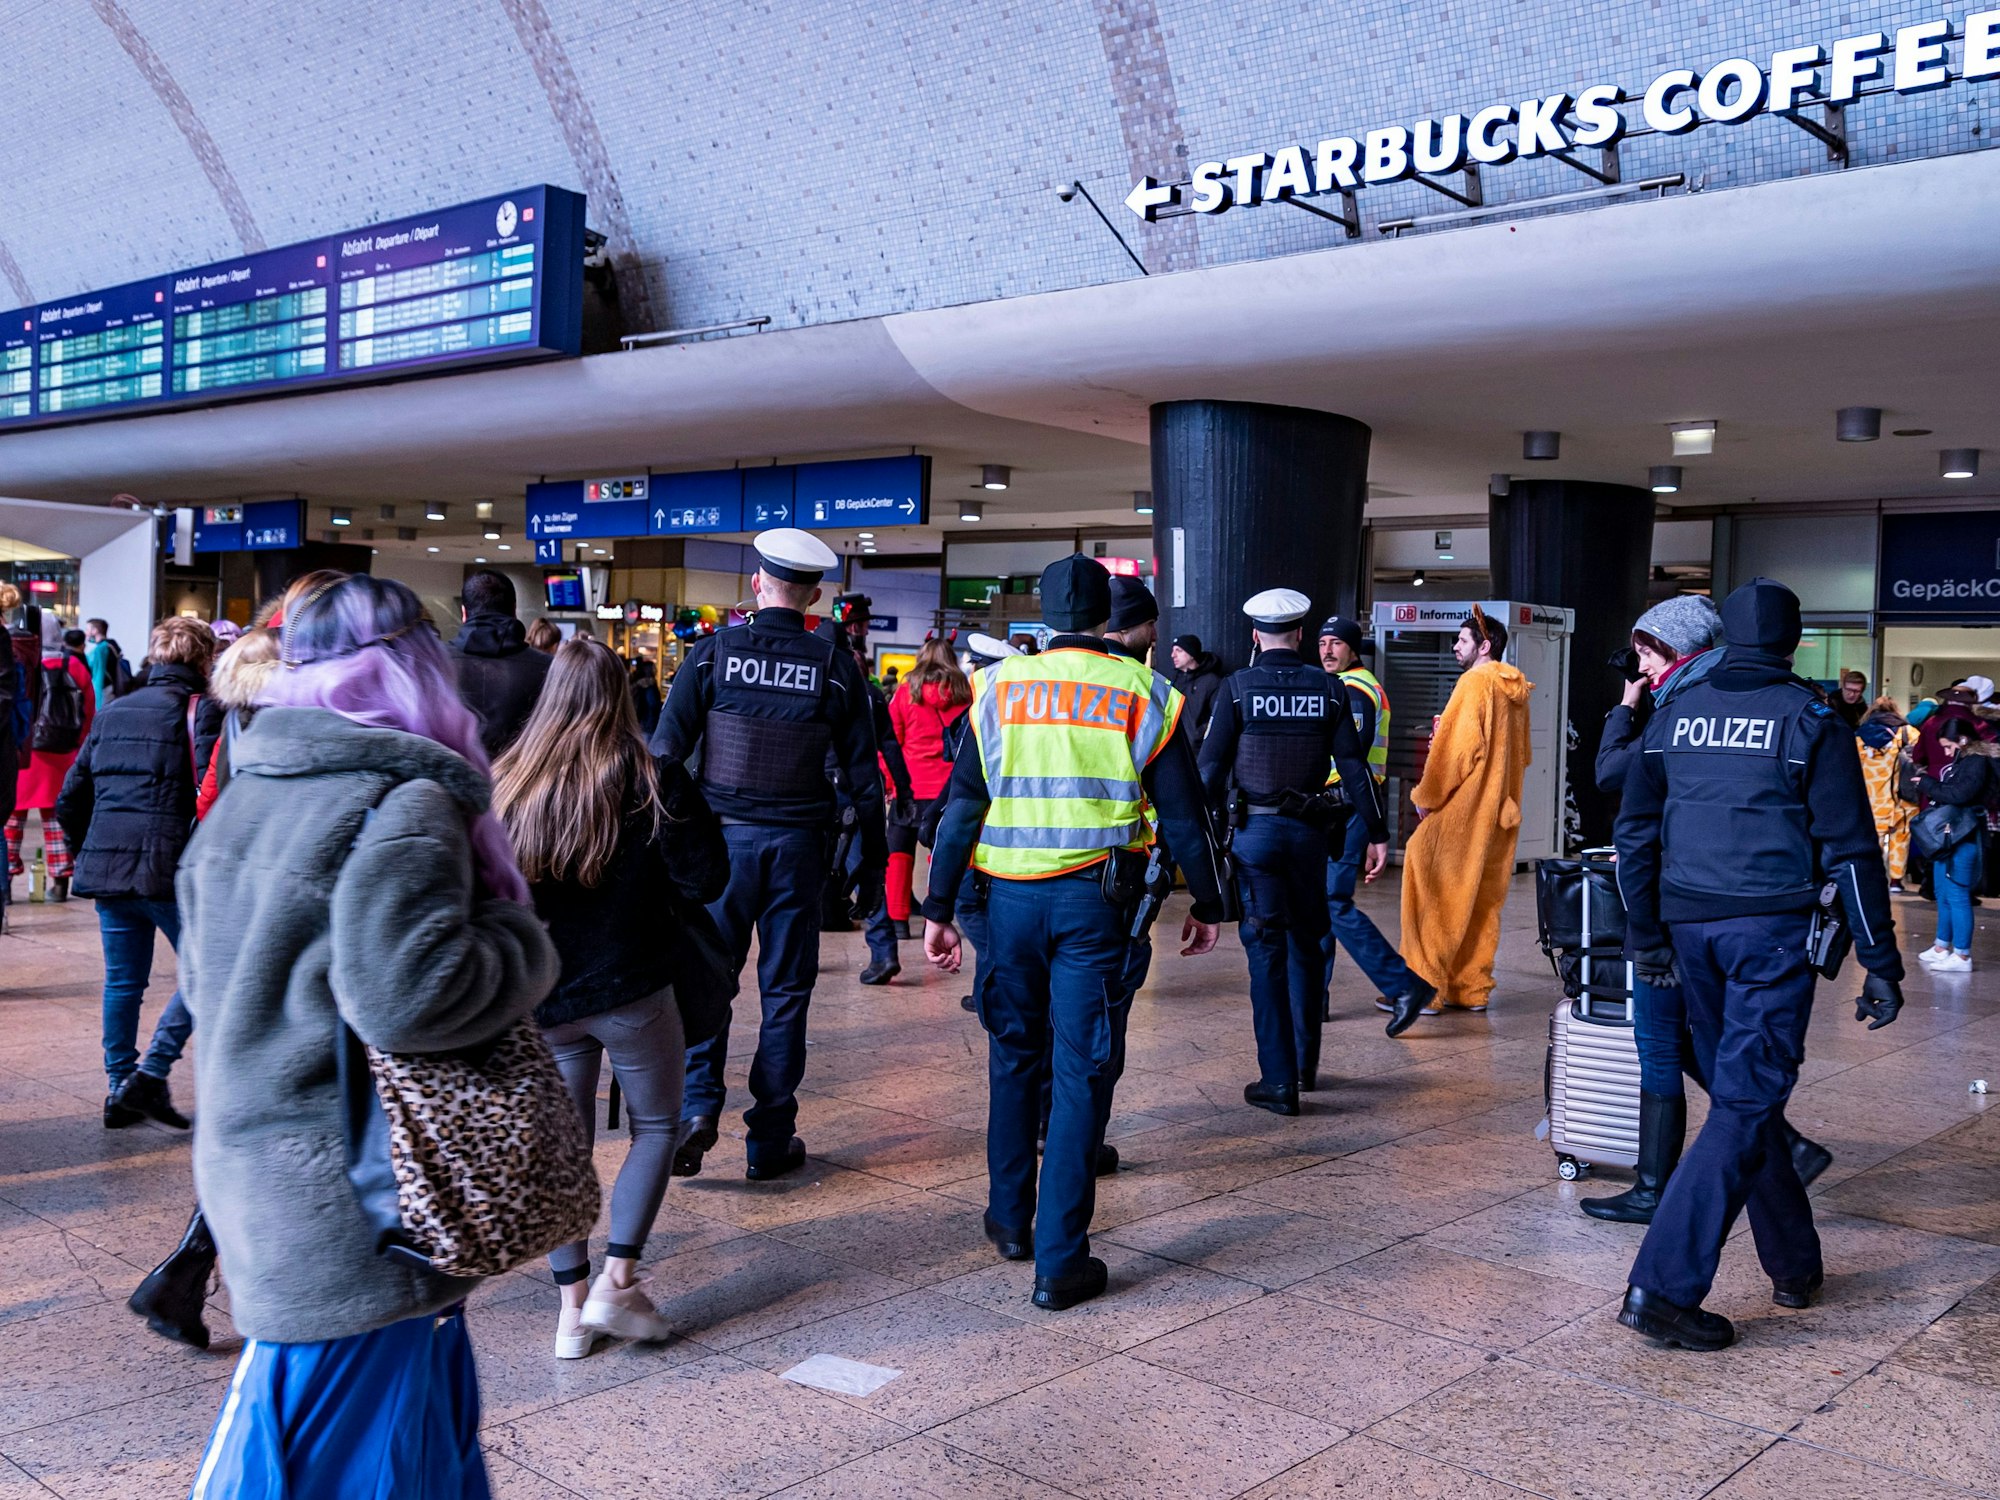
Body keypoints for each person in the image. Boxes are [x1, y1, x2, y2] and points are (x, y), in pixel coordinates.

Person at [178, 573, 557, 1494]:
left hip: (259, 1181)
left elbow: (202, 982)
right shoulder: (402, 802)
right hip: (360, 1208)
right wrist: (520, 940)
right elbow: (413, 994)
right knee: (342, 1457)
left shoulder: (250, 792)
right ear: (416, 665)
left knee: (367, 1443)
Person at [922, 555, 1227, 1311]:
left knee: (1013, 1059)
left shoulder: (995, 687)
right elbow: (1184, 816)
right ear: (1107, 616)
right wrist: (1212, 902)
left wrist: (934, 910)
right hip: (1096, 909)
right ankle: (1060, 1261)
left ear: (1047, 613)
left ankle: (1007, 1222)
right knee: (1081, 1071)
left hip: (1007, 907)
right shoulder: (1142, 691)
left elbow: (961, 810)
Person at [1614, 577, 1904, 1352]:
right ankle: (1662, 1289)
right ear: (1792, 641)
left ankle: (1794, 1265)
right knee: (1745, 1102)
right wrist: (1881, 961)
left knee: (1750, 1098)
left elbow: (1636, 834)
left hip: (1686, 932)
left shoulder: (1673, 715)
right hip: (1770, 935)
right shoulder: (1810, 721)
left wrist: (1645, 936)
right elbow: (1850, 853)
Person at [494, 638, 730, 1358]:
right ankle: (617, 1281)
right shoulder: (651, 777)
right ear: (622, 697)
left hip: (546, 998)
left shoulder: (508, 780)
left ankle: (571, 1314)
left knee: (567, 1146)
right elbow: (706, 879)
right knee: (656, 1128)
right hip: (634, 988)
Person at [652, 529, 886, 1181]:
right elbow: (866, 782)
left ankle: (698, 1108)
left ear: (758, 585)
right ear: (815, 598)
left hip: (720, 850)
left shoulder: (711, 655)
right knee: (785, 993)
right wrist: (872, 868)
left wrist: (671, 848)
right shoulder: (836, 668)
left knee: (707, 979)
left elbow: (664, 759)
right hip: (796, 854)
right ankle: (770, 1137)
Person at [1198, 591, 1393, 1118]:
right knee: (1309, 945)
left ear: (1256, 636)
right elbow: (1354, 769)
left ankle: (1278, 1081)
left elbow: (1210, 771)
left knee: (1266, 955)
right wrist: (1377, 833)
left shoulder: (1237, 690)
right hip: (1309, 838)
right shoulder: (1328, 689)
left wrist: (1200, 844)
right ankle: (1306, 1065)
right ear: (1302, 636)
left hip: (1255, 839)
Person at [57, 615, 221, 1129]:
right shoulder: (204, 711)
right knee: (209, 971)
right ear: (202, 659)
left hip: (111, 869)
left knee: (123, 984)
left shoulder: (114, 712)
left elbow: (70, 798)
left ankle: (119, 1088)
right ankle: (150, 1075)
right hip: (171, 870)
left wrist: (96, 847)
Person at [1399, 607, 1533, 1012]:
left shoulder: (1473, 683)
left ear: (1484, 645)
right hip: (1500, 813)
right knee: (1480, 900)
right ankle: (1470, 987)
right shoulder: (1515, 690)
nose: (1455, 647)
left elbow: (1454, 755)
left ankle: (1425, 990)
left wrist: (1426, 799)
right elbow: (1522, 755)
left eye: (1461, 641)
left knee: (1431, 892)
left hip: (1463, 812)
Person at [1315, 615, 1436, 1027]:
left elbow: (1353, 762)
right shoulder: (1344, 687)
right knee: (1321, 901)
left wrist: (1375, 827)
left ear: (1353, 649)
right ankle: (1315, 998)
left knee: (1332, 902)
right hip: (1341, 808)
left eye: (1336, 643)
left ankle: (1404, 984)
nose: (1328, 650)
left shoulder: (1355, 691)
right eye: (1323, 642)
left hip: (1346, 807)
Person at [885, 638, 972, 956]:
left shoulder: (907, 691)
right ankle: (935, 918)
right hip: (946, 791)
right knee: (941, 855)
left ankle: (897, 921)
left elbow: (892, 739)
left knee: (898, 853)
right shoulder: (965, 692)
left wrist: (893, 783)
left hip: (909, 787)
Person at [7, 612, 95, 903]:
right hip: (61, 754)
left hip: (24, 752)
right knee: (57, 819)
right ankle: (59, 882)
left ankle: (5, 884)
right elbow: (88, 711)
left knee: (11, 818)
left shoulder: (20, 660)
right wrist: (79, 746)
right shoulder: (74, 665)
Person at [1911, 717, 1994, 973]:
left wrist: (1928, 784)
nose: (1946, 752)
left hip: (1962, 836)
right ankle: (1941, 946)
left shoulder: (1976, 763)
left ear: (1963, 740)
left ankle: (1961, 955)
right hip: (1952, 836)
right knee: (1944, 893)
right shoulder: (1966, 761)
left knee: (1956, 895)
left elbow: (1959, 795)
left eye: (1948, 746)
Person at [450, 570, 553, 756]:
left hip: (448, 782)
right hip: (524, 781)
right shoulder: (549, 668)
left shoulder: (434, 663)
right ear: (514, 610)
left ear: (464, 613)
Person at [1856, 696, 1920, 892]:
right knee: (1900, 839)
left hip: (1870, 797)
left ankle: (1869, 877)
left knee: (1869, 840)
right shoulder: (1907, 732)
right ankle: (1895, 880)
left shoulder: (1859, 735)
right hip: (1902, 796)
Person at [1167, 634, 1226, 745]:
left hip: (1200, 751)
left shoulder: (1212, 682)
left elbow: (1219, 717)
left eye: (1178, 650)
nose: (1173, 655)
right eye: (1173, 651)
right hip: (1177, 749)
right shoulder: (1173, 681)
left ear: (1191, 654)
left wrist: (1197, 734)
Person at [83, 617, 117, 703]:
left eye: (87, 629)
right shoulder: (110, 645)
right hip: (111, 688)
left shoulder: (101, 649)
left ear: (95, 630)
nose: (86, 632)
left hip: (102, 691)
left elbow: (99, 675)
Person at [630, 655, 663, 736]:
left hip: (639, 721)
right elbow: (653, 703)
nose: (656, 670)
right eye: (654, 668)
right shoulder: (649, 685)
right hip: (649, 722)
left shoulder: (637, 682)